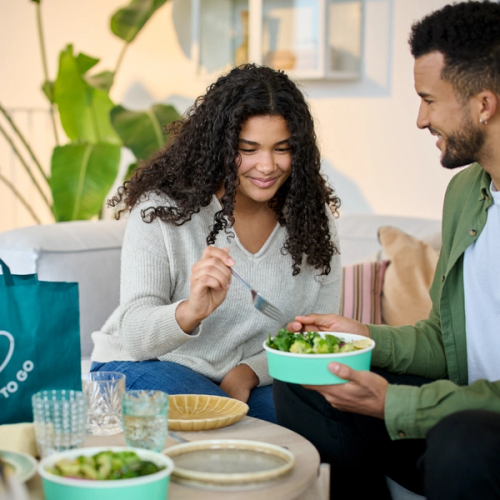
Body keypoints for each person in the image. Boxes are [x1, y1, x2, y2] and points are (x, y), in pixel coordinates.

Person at [273, 1, 500, 498]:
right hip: (455, 413)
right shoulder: (468, 194)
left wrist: (394, 405)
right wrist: (362, 337)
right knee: (310, 381)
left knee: (463, 442)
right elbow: (446, 341)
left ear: (484, 104)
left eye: (429, 99)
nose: (420, 120)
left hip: (478, 434)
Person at [90, 64, 342, 424]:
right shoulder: (162, 211)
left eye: (281, 149)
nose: (267, 166)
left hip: (248, 377)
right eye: (248, 149)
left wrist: (248, 372)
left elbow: (315, 334)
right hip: (144, 364)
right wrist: (190, 311)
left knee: (322, 427)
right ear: (220, 146)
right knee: (228, 424)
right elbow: (134, 336)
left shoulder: (312, 220)